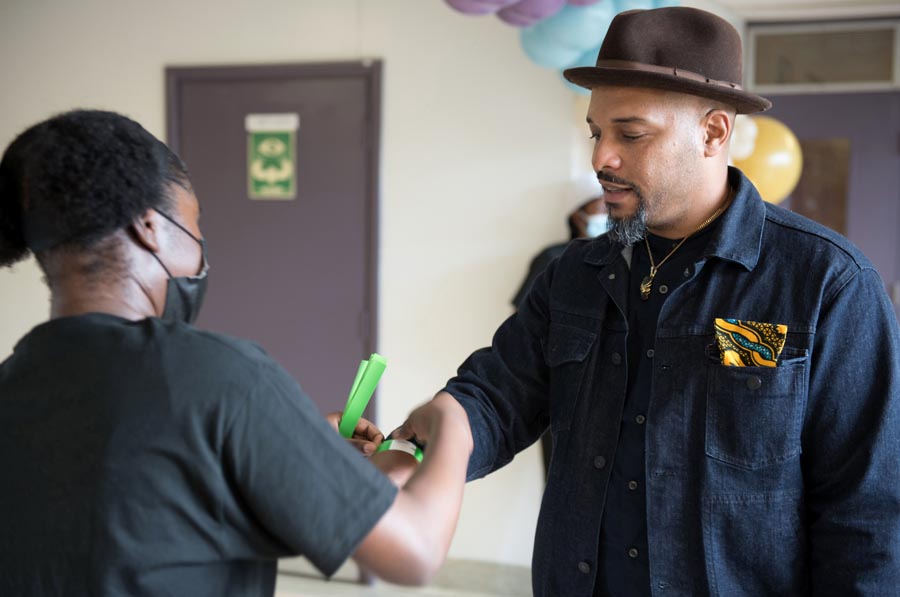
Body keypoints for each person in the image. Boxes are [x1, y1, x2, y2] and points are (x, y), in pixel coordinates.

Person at [393, 7, 900, 596]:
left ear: (713, 133)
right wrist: (408, 450)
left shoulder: (827, 284)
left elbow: (867, 517)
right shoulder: (573, 275)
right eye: (596, 133)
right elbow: (495, 398)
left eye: (630, 135)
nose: (600, 158)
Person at [0, 109, 472, 596]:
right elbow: (414, 551)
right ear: (149, 227)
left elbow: (153, 525)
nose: (201, 248)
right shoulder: (223, 377)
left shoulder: (11, 383)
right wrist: (453, 425)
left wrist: (301, 449)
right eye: (194, 226)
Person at [512, 195, 606, 476]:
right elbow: (525, 327)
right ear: (577, 216)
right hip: (563, 390)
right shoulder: (555, 260)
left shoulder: (629, 262)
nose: (607, 215)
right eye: (600, 207)